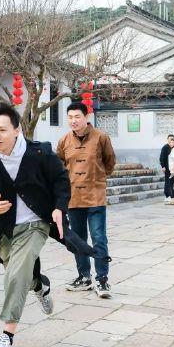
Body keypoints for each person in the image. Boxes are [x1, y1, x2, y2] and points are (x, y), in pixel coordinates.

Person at [0, 102, 71, 347]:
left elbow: (60, 179)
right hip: (2, 230)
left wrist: (59, 207)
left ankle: (6, 337)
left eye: (2, 129)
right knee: (21, 273)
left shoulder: (39, 153)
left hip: (35, 223)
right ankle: (40, 284)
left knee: (15, 275)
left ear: (17, 130)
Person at [57, 102, 115, 298]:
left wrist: (97, 180)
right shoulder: (64, 140)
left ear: (86, 116)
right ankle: (84, 277)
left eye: (77, 117)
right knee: (78, 240)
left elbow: (110, 162)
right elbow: (58, 166)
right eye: (70, 117)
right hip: (73, 198)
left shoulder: (101, 137)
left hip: (95, 197)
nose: (73, 121)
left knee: (99, 238)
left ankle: (102, 279)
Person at [159, 134, 174, 203]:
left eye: (172, 139)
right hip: (167, 168)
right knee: (168, 182)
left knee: (172, 182)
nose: (171, 140)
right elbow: (161, 157)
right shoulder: (165, 147)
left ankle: (171, 196)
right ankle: (167, 196)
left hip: (173, 168)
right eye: (170, 139)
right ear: (167, 139)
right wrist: (163, 166)